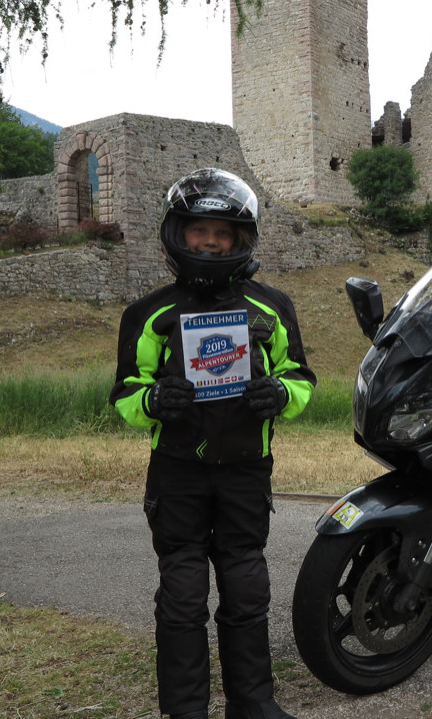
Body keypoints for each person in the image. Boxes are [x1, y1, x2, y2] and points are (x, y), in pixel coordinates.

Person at [110, 168, 315, 719]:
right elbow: (125, 393)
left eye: (222, 233)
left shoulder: (272, 306)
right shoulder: (149, 314)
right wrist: (155, 400)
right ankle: (185, 711)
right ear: (177, 234)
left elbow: (301, 378)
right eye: (199, 230)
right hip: (177, 472)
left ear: (240, 239)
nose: (209, 242)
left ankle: (253, 703)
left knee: (247, 587)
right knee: (182, 593)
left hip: (247, 469)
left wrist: (280, 394)